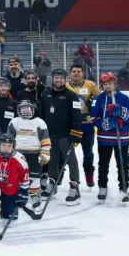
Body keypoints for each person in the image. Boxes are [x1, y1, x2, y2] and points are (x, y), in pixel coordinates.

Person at [91, 72, 129, 204]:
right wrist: (105, 123)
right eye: (105, 84)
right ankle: (102, 187)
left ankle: (124, 188)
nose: (108, 86)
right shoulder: (98, 99)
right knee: (103, 164)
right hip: (104, 138)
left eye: (110, 83)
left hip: (122, 138)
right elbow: (93, 117)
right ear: (102, 85)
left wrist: (123, 114)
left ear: (114, 84)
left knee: (122, 164)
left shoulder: (124, 98)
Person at [41, 68, 83, 204]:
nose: (58, 80)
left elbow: (77, 116)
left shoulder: (72, 95)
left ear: (65, 79)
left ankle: (74, 187)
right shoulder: (46, 94)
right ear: (52, 79)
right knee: (52, 161)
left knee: (71, 161)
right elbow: (41, 115)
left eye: (61, 77)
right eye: (56, 77)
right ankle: (52, 184)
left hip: (65, 135)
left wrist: (76, 133)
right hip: (50, 134)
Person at [8, 101, 51, 209]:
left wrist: (45, 152)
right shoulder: (14, 121)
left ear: (33, 110)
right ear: (19, 110)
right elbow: (9, 139)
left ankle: (35, 196)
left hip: (35, 153)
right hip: (18, 154)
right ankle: (17, 195)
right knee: (16, 175)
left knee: (34, 176)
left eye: (28, 109)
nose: (25, 111)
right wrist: (8, 153)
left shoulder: (39, 122)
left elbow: (45, 139)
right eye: (23, 109)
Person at [66, 64, 100, 188]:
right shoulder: (65, 86)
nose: (76, 73)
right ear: (70, 73)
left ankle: (89, 175)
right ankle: (61, 176)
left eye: (78, 71)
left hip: (87, 124)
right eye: (74, 71)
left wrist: (93, 106)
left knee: (88, 153)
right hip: (70, 125)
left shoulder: (90, 85)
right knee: (67, 153)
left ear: (82, 73)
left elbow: (98, 101)